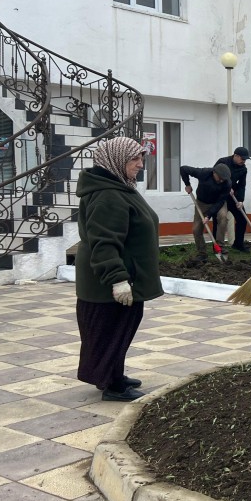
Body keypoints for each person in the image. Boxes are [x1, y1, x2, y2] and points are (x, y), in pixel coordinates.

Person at [75, 137, 163, 401]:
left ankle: (114, 374)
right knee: (109, 332)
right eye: (134, 159)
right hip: (110, 282)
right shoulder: (108, 196)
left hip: (125, 276)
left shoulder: (119, 187)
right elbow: (103, 243)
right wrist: (117, 279)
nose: (140, 164)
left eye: (141, 158)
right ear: (115, 160)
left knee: (118, 329)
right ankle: (112, 386)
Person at [181, 161, 233, 257]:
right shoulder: (203, 173)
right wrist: (187, 184)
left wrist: (208, 215)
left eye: (223, 179)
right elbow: (183, 169)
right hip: (202, 203)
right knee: (196, 229)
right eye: (220, 178)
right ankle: (202, 252)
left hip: (218, 203)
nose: (221, 181)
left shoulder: (227, 183)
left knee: (223, 218)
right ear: (214, 173)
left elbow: (221, 201)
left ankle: (220, 246)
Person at [213, 146, 251, 252]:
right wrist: (226, 186)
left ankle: (238, 244)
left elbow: (242, 185)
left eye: (245, 159)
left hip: (232, 197)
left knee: (242, 219)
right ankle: (217, 247)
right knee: (219, 220)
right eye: (242, 159)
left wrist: (240, 200)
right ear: (236, 156)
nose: (244, 161)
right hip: (219, 196)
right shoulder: (222, 162)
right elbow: (214, 177)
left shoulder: (243, 169)